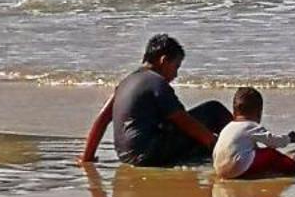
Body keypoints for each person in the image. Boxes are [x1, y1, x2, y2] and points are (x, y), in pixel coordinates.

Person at [78, 32, 232, 168]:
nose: (176, 74)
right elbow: (183, 120)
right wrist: (212, 142)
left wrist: (87, 157)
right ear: (163, 61)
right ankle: (244, 147)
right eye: (176, 67)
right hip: (148, 154)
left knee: (197, 140)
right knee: (213, 110)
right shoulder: (157, 82)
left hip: (126, 155)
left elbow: (102, 120)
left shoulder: (126, 82)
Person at [212, 86, 295, 180]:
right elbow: (273, 142)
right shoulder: (251, 126)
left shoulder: (227, 128)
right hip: (237, 168)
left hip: (219, 169)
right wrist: (289, 139)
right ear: (259, 113)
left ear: (234, 112)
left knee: (254, 151)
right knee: (271, 154)